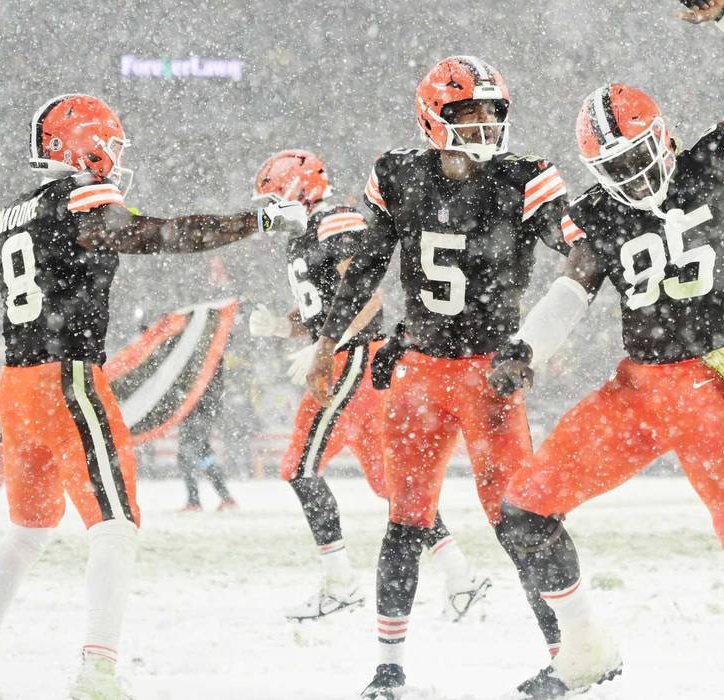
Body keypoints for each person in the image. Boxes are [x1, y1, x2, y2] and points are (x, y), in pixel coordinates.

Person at [487, 1, 724, 697]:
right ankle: (584, 650)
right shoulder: (599, 214)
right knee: (524, 514)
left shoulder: (721, 167)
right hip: (635, 390)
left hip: (707, 388)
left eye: (640, 156)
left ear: (664, 139)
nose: (635, 176)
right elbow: (574, 287)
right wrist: (524, 349)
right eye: (618, 165)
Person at [0, 93, 305, 700]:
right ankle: (97, 673)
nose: (113, 158)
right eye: (105, 144)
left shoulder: (11, 213)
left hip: (16, 385)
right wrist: (256, 219)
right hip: (67, 380)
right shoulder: (80, 200)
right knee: (116, 523)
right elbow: (161, 235)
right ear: (71, 144)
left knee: (27, 532)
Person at [302, 57, 572, 698]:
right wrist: (325, 343)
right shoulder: (398, 174)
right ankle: (389, 666)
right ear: (433, 116)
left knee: (518, 519)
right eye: (469, 113)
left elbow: (575, 244)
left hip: (488, 376)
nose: (484, 125)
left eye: (492, 113)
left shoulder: (524, 177)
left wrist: (599, 240)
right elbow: (366, 266)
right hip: (421, 372)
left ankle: (566, 653)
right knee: (407, 518)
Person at [249, 150, 487, 622]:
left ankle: (340, 583)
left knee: (299, 466)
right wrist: (283, 326)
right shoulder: (304, 239)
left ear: (298, 188)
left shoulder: (334, 221)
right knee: (392, 484)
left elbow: (364, 295)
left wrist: (325, 344)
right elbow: (324, 307)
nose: (270, 208)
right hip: (352, 358)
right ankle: (461, 578)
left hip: (353, 359)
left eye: (275, 195)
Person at [175, 367, 237, 512]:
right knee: (204, 457)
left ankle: (194, 501)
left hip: (195, 418)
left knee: (187, 457)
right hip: (199, 417)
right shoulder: (206, 367)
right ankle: (225, 498)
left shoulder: (199, 366)